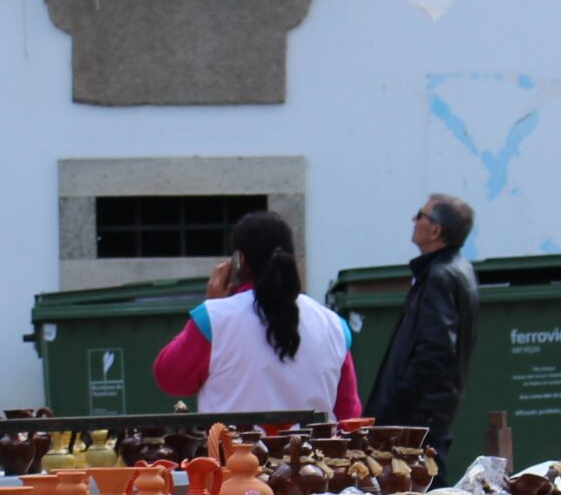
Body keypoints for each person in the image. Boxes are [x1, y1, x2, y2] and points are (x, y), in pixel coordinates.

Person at [153, 210, 361, 420]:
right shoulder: (334, 326)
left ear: (239, 261)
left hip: (232, 453)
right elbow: (348, 416)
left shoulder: (214, 319)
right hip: (315, 453)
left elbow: (169, 378)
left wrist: (212, 305)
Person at [363, 194, 480, 468]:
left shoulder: (440, 276)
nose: (414, 221)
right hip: (429, 418)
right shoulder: (455, 270)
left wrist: (397, 405)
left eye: (420, 215)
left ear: (436, 230)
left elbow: (435, 353)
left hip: (416, 423)